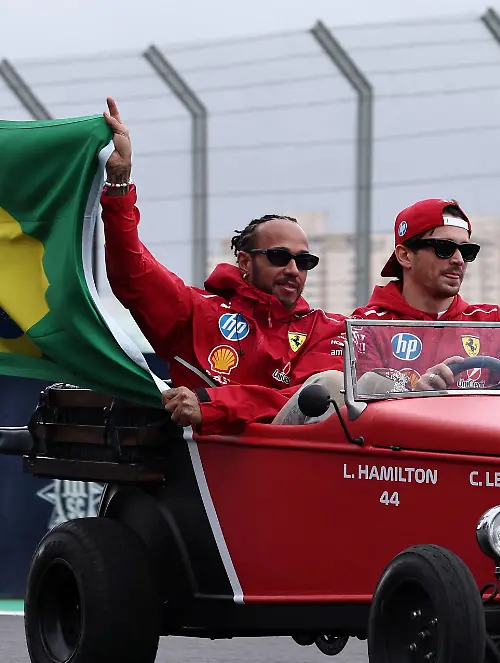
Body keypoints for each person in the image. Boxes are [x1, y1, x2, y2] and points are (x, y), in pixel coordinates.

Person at [99, 97, 347, 434]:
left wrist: (212, 404)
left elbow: (306, 399)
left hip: (294, 464)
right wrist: (119, 183)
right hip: (209, 471)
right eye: (278, 257)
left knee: (336, 385)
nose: (293, 269)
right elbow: (131, 270)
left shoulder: (326, 329)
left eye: (304, 261)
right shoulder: (197, 311)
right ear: (245, 261)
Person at [351, 197, 500, 393]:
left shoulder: (490, 321)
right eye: (444, 248)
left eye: (467, 251)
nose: (458, 260)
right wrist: (413, 393)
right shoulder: (367, 325)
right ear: (405, 256)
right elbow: (364, 410)